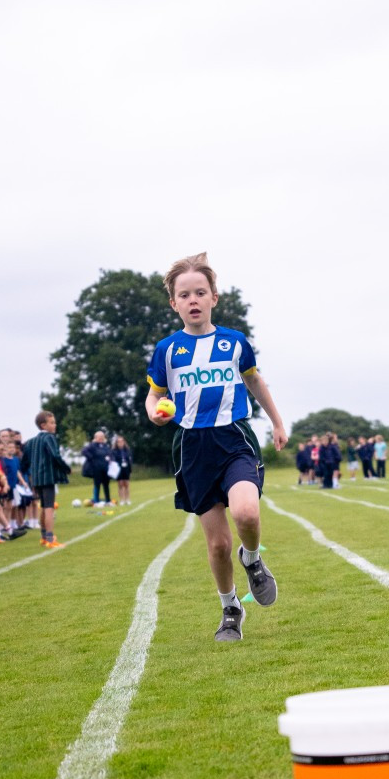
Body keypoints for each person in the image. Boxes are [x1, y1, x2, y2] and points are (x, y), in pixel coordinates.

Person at [146, 252, 285, 643]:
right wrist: (154, 412)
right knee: (219, 544)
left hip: (234, 437)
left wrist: (277, 422)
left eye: (200, 292)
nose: (193, 300)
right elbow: (154, 394)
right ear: (174, 303)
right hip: (192, 447)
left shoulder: (235, 342)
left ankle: (252, 559)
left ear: (213, 298)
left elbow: (255, 382)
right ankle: (230, 608)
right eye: (184, 295)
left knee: (247, 513)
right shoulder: (167, 350)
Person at [22, 411, 71, 547]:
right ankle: (50, 539)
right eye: (52, 422)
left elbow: (24, 462)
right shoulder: (49, 438)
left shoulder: (31, 442)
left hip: (37, 479)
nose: (55, 425)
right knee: (49, 507)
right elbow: (55, 455)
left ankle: (44, 537)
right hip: (48, 477)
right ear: (43, 425)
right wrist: (66, 468)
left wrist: (30, 474)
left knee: (43, 507)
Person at [82, 430, 112, 506]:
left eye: (102, 436)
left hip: (105, 468)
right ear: (96, 437)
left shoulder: (105, 446)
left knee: (106, 485)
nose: (101, 438)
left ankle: (108, 501)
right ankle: (96, 501)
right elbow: (84, 451)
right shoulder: (92, 445)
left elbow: (110, 454)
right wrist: (92, 458)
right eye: (99, 437)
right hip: (96, 469)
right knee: (97, 485)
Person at [112, 435, 133, 503]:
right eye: (119, 442)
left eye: (122, 441)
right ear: (116, 443)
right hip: (118, 469)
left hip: (126, 468)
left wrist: (130, 470)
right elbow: (113, 460)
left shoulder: (127, 450)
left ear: (124, 442)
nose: (120, 443)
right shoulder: (114, 451)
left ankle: (127, 499)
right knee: (120, 485)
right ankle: (122, 500)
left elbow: (130, 460)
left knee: (126, 484)